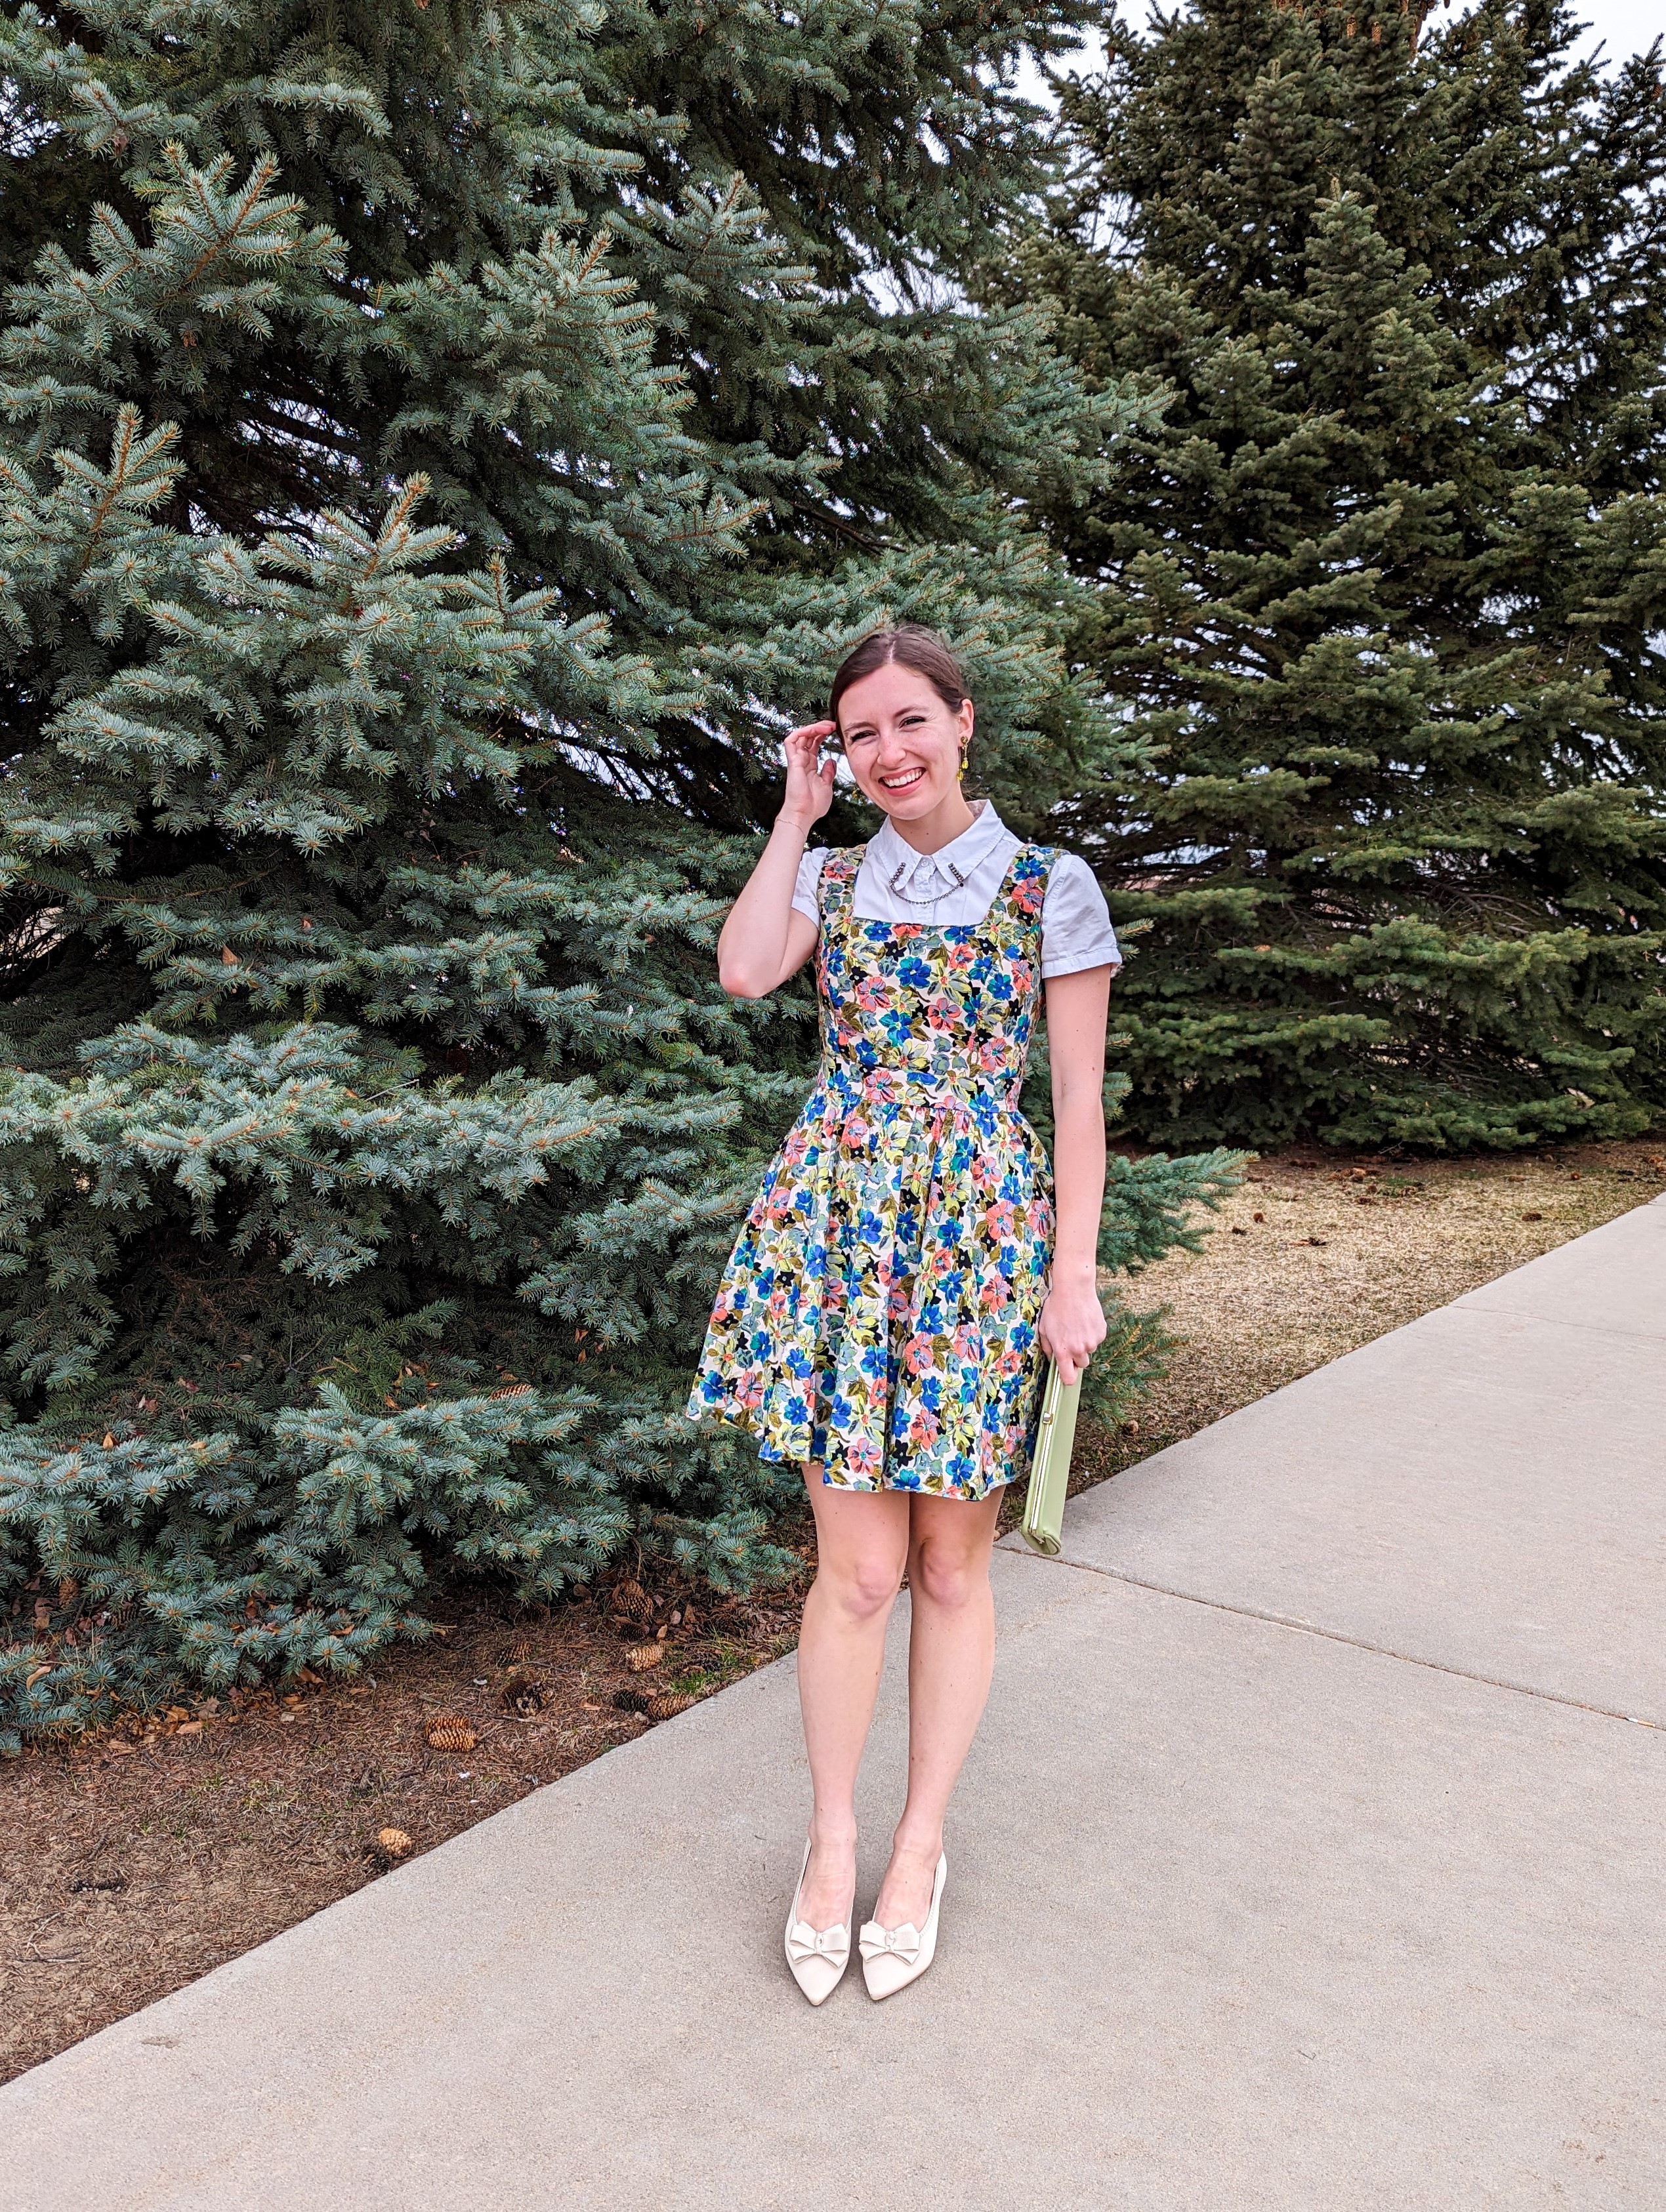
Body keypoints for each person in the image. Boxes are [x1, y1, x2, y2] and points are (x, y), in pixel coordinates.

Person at [686, 624, 1119, 2003]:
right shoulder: (827, 868)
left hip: (982, 1240)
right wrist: (790, 812)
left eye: (909, 722)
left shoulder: (1049, 886)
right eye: (860, 732)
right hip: (842, 1236)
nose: (890, 752)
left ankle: (919, 1844)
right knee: (858, 1574)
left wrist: (1073, 1276)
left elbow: (1074, 1102)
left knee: (949, 1568)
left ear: (963, 720)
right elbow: (747, 970)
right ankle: (832, 1843)